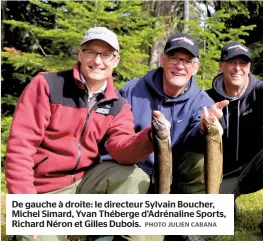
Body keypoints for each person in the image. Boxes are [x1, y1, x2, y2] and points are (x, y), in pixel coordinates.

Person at [5, 26, 166, 241]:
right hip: (43, 191)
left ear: (115, 60)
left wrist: (150, 136)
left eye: (106, 54)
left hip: (84, 184)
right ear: (80, 54)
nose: (98, 61)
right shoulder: (47, 85)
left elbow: (122, 150)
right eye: (91, 52)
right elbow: (20, 148)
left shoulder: (118, 104)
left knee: (134, 177)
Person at [101, 33, 228, 241]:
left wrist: (207, 126)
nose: (180, 65)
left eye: (187, 61)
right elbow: (115, 139)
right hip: (135, 177)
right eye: (174, 58)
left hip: (175, 181)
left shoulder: (202, 100)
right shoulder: (131, 90)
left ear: (195, 67)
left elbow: (195, 137)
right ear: (162, 60)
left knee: (200, 158)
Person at [206, 42, 263, 241]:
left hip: (258, 170)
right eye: (231, 62)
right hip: (223, 176)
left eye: (243, 63)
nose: (237, 68)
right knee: (208, 227)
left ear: (249, 67)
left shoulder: (262, 91)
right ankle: (228, 205)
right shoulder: (207, 98)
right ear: (221, 66)